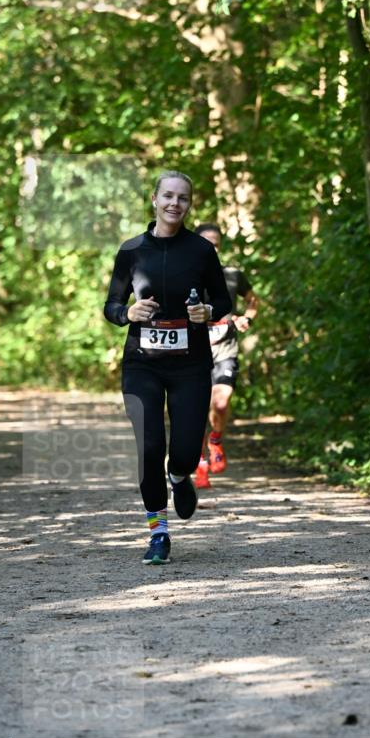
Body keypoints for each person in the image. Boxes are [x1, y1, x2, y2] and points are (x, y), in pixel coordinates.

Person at [104, 171, 231, 565]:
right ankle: (157, 532)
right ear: (154, 199)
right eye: (169, 197)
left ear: (190, 205)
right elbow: (110, 306)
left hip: (190, 364)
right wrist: (129, 312)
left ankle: (179, 476)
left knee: (184, 449)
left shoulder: (200, 251)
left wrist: (207, 311)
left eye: (183, 199)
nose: (175, 204)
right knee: (150, 446)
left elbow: (223, 301)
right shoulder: (131, 250)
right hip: (142, 365)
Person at [192, 222, 259, 488]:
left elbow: (252, 300)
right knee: (196, 410)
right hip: (192, 351)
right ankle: (199, 463)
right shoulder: (185, 276)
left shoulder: (232, 275)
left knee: (220, 402)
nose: (212, 247)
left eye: (216, 243)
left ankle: (216, 441)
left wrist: (247, 319)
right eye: (206, 242)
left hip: (225, 347)